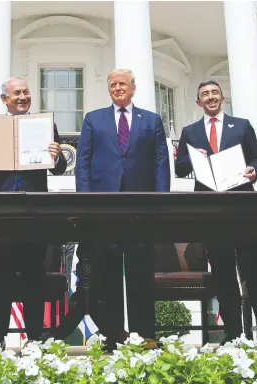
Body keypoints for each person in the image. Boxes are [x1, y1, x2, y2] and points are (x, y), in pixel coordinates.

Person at [175, 80, 257, 348]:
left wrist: (253, 170)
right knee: (224, 275)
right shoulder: (190, 132)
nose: (211, 97)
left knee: (255, 271)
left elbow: (256, 159)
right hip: (212, 213)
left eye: (214, 92)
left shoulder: (241, 125)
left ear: (222, 97)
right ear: (198, 102)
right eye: (205, 94)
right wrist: (193, 158)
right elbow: (180, 168)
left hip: (244, 209)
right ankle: (234, 335)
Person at [0, 77, 67, 347]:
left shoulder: (45, 126)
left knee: (35, 278)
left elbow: (57, 168)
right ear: (5, 99)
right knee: (1, 280)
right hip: (1, 215)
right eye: (16, 93)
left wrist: (56, 155)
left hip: (34, 213)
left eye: (26, 92)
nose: (23, 97)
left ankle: (34, 339)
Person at [75, 69, 170, 350]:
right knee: (107, 275)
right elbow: (83, 161)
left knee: (141, 272)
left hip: (141, 207)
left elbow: (160, 161)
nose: (118, 88)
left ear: (133, 88)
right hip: (105, 208)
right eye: (113, 84)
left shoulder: (151, 120)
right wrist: (86, 200)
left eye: (123, 84)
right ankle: (112, 336)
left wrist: (160, 199)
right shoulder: (94, 119)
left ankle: (145, 336)